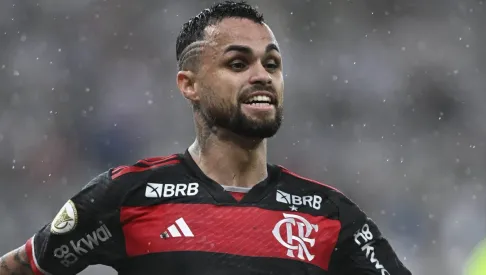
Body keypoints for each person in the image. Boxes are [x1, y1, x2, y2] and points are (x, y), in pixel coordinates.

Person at [0, 1, 412, 274]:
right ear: (189, 85)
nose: (261, 75)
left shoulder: (329, 215)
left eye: (272, 63)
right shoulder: (126, 196)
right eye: (237, 62)